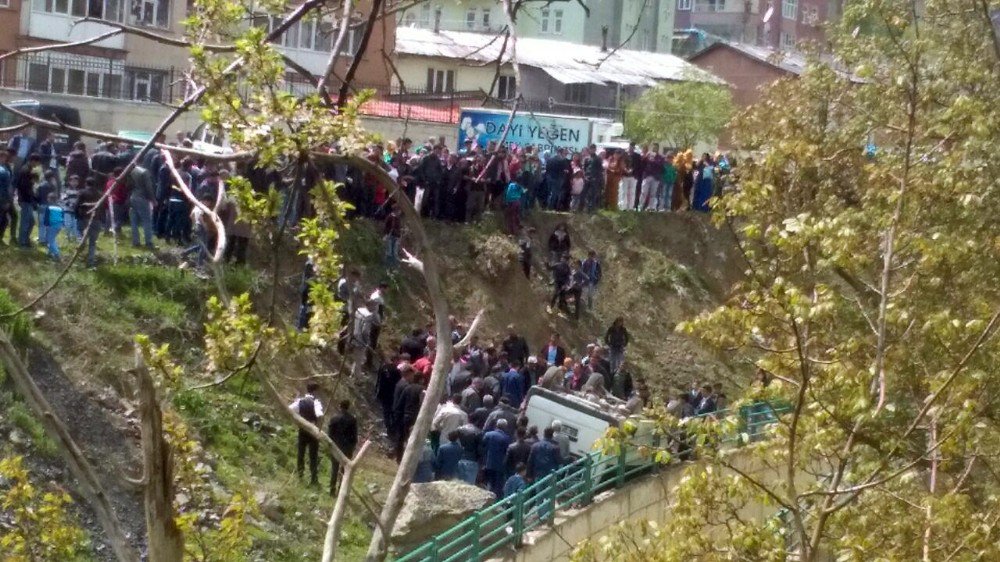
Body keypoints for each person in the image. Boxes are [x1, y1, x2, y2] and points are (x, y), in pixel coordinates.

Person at [289, 383, 324, 486]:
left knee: (301, 453)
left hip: (302, 430)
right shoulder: (316, 402)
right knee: (313, 455)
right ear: (315, 391)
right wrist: (319, 426)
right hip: (313, 431)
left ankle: (300, 476)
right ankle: (314, 479)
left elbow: (289, 409)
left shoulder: (300, 401)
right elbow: (320, 415)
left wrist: (298, 420)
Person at [327, 400, 358, 496]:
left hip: (336, 446)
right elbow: (354, 436)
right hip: (347, 447)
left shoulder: (334, 418)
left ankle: (332, 489)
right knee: (344, 469)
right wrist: (352, 446)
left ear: (340, 406)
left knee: (334, 469)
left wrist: (330, 445)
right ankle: (341, 489)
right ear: (348, 407)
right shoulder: (352, 419)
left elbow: (330, 434)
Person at [480, 419, 512, 497]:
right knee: (495, 485)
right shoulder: (506, 438)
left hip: (486, 463)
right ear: (505, 427)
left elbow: (482, 447)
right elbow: (506, 451)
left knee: (484, 483)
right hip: (499, 465)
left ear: (496, 425)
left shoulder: (488, 434)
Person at [14, 154, 41, 247]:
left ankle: (25, 239)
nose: (37, 165)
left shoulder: (28, 170)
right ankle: (22, 242)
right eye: (37, 162)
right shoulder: (25, 170)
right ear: (33, 160)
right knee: (25, 222)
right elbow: (22, 185)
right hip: (25, 199)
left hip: (28, 199)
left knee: (31, 222)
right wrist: (31, 182)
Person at [128, 165, 156, 250]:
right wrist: (153, 199)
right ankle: (149, 242)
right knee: (147, 221)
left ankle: (135, 242)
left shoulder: (132, 172)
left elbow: (129, 185)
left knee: (134, 221)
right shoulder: (144, 172)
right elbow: (149, 187)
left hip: (133, 196)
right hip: (142, 197)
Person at [374, 355, 401, 441]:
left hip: (383, 394)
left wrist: (377, 392)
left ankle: (388, 427)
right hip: (392, 394)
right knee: (392, 411)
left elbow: (378, 381)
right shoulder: (396, 371)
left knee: (385, 412)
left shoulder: (383, 368)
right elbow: (398, 384)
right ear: (395, 360)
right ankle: (393, 428)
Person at [41, 192, 64, 261]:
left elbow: (46, 217)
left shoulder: (49, 207)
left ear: (49, 199)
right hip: (59, 225)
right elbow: (62, 216)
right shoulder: (60, 207)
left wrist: (46, 225)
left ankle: (57, 254)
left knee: (50, 240)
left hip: (52, 225)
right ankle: (49, 253)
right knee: (52, 238)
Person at [0, 150, 14, 244]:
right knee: (3, 219)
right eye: (4, 157)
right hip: (3, 197)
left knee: (4, 219)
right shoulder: (4, 171)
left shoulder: (5, 168)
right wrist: (9, 200)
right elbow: (8, 187)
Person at [384, 202, 402, 269]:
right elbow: (386, 226)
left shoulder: (398, 218)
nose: (400, 212)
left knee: (395, 251)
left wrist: (399, 236)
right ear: (396, 210)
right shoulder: (390, 217)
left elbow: (399, 228)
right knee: (389, 251)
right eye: (399, 210)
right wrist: (386, 234)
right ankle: (387, 265)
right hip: (390, 236)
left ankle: (395, 266)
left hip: (396, 237)